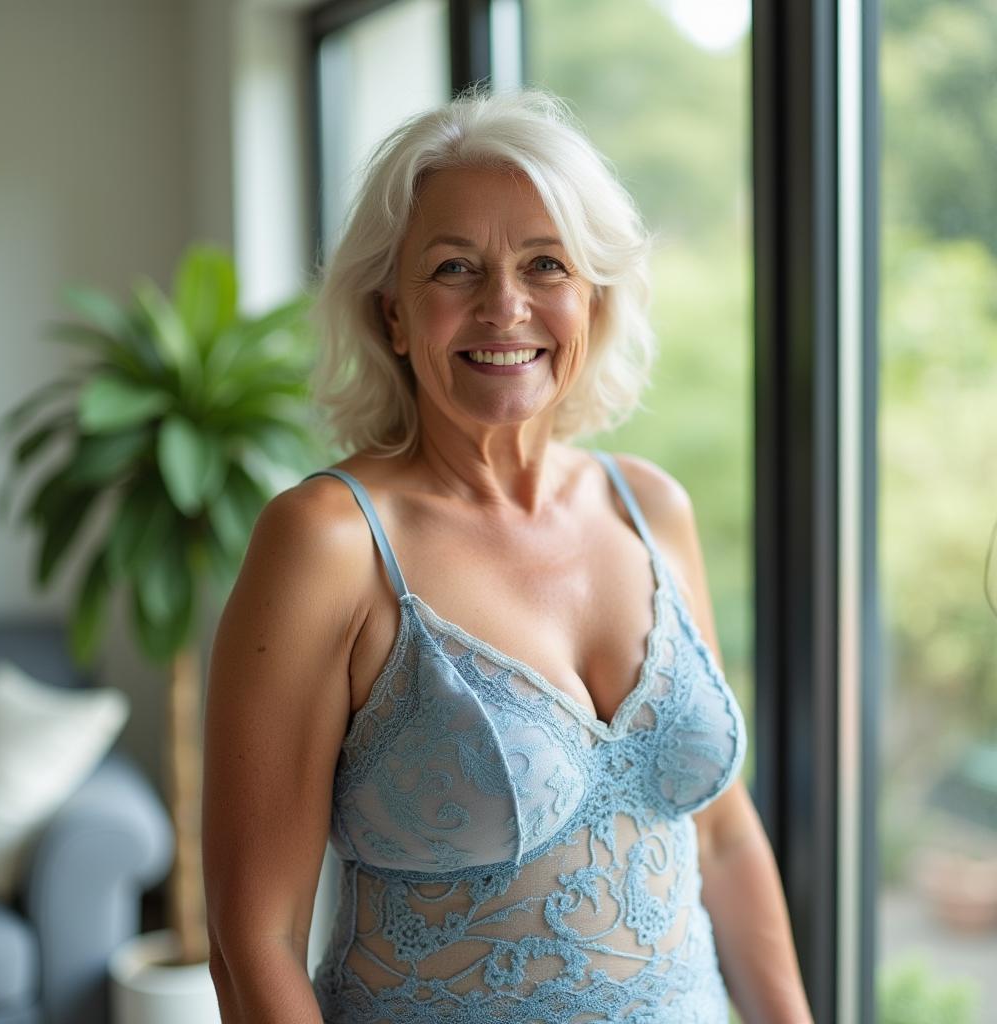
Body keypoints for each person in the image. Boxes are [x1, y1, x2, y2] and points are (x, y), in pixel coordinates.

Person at [202, 87, 813, 1023]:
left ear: (592, 296)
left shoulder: (652, 508)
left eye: (546, 264)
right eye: (454, 268)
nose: (505, 306)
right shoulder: (329, 543)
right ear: (393, 314)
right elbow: (256, 942)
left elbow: (723, 838)